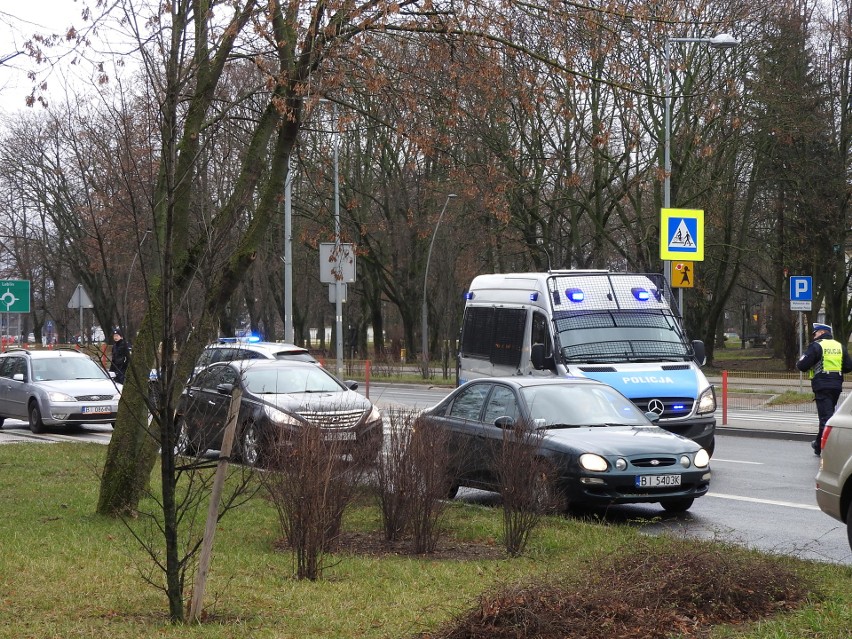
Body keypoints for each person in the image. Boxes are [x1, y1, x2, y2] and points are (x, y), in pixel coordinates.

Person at [795, 322, 852, 455]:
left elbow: (802, 365)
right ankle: (818, 445)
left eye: (815, 333)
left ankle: (828, 448)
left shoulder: (817, 345)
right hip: (837, 385)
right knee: (828, 415)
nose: (814, 336)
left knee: (826, 418)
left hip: (822, 385)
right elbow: (848, 367)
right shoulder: (839, 346)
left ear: (821, 333)